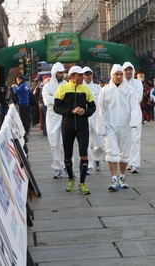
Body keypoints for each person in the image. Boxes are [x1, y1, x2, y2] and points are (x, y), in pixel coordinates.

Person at [96, 64, 141, 191]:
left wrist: (134, 122)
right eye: (117, 74)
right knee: (112, 152)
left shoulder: (129, 90)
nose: (119, 76)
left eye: (121, 74)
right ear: (112, 75)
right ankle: (113, 178)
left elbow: (135, 107)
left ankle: (122, 176)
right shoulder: (105, 90)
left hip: (125, 125)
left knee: (125, 153)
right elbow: (100, 110)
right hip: (110, 126)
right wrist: (101, 127)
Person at [54, 66, 96, 195]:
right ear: (72, 76)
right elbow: (56, 108)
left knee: (84, 154)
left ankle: (82, 183)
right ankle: (71, 179)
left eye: (83, 75)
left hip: (83, 126)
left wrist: (85, 112)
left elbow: (93, 107)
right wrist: (71, 111)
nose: (82, 77)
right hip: (68, 125)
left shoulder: (86, 89)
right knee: (67, 155)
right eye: (80, 75)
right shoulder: (62, 89)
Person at [42, 63, 66, 178]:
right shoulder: (47, 87)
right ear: (55, 73)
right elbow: (47, 102)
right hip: (52, 118)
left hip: (65, 117)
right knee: (54, 144)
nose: (62, 74)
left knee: (66, 143)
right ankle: (57, 168)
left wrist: (56, 100)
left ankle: (67, 166)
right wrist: (60, 100)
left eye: (63, 72)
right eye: (60, 72)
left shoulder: (67, 85)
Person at [83, 66, 105, 174]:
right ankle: (89, 165)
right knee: (86, 144)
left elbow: (102, 103)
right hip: (84, 119)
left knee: (101, 144)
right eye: (86, 74)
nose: (88, 76)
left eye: (90, 74)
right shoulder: (80, 88)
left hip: (96, 119)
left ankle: (96, 158)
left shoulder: (97, 88)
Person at [122, 62, 144, 174]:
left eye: (130, 69)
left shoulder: (138, 83)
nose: (128, 72)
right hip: (123, 114)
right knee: (125, 139)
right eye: (126, 70)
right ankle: (127, 162)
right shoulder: (120, 84)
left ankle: (135, 164)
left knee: (135, 138)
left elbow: (138, 98)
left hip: (135, 114)